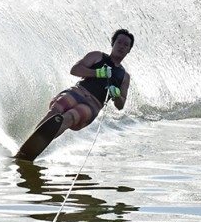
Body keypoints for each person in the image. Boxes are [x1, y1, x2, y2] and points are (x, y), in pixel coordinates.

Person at [15, 29, 134, 161]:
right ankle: (29, 143)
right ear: (113, 44)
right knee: (55, 112)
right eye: (119, 42)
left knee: (69, 117)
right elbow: (75, 70)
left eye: (126, 45)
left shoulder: (124, 77)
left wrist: (116, 95)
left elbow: (120, 105)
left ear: (129, 50)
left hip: (92, 105)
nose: (121, 46)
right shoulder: (97, 56)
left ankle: (35, 147)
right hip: (77, 92)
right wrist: (98, 73)